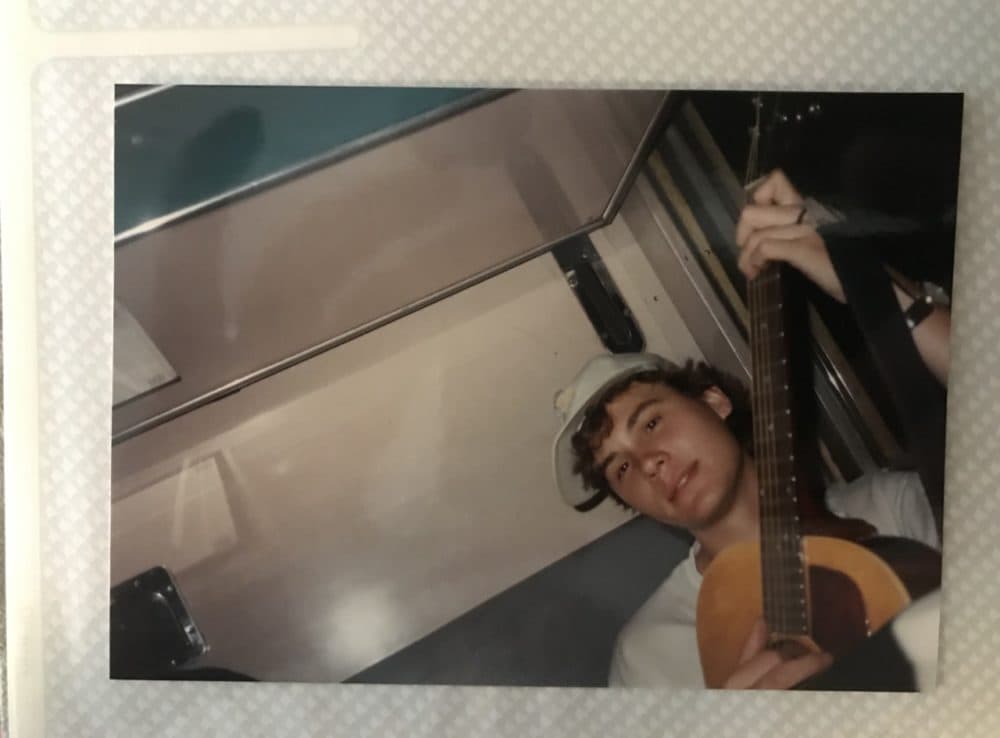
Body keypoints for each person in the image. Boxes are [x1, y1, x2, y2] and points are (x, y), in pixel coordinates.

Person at [550, 170, 948, 689]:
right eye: (620, 467)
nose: (647, 462)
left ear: (713, 401)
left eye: (650, 421)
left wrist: (862, 278)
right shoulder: (650, 652)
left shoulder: (894, 508)